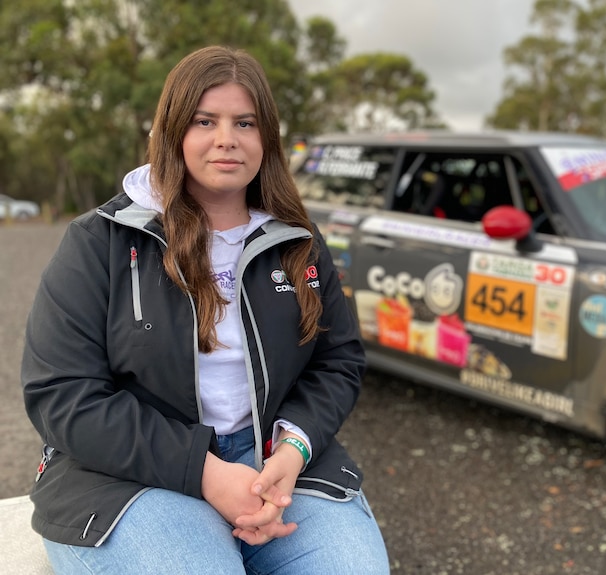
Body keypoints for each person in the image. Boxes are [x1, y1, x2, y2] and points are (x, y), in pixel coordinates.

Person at [20, 45, 390, 574]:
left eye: (245, 122)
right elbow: (60, 393)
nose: (226, 139)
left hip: (276, 465)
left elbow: (338, 361)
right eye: (204, 120)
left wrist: (293, 452)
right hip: (127, 476)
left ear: (267, 138)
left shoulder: (297, 242)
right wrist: (206, 474)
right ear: (172, 130)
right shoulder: (99, 240)